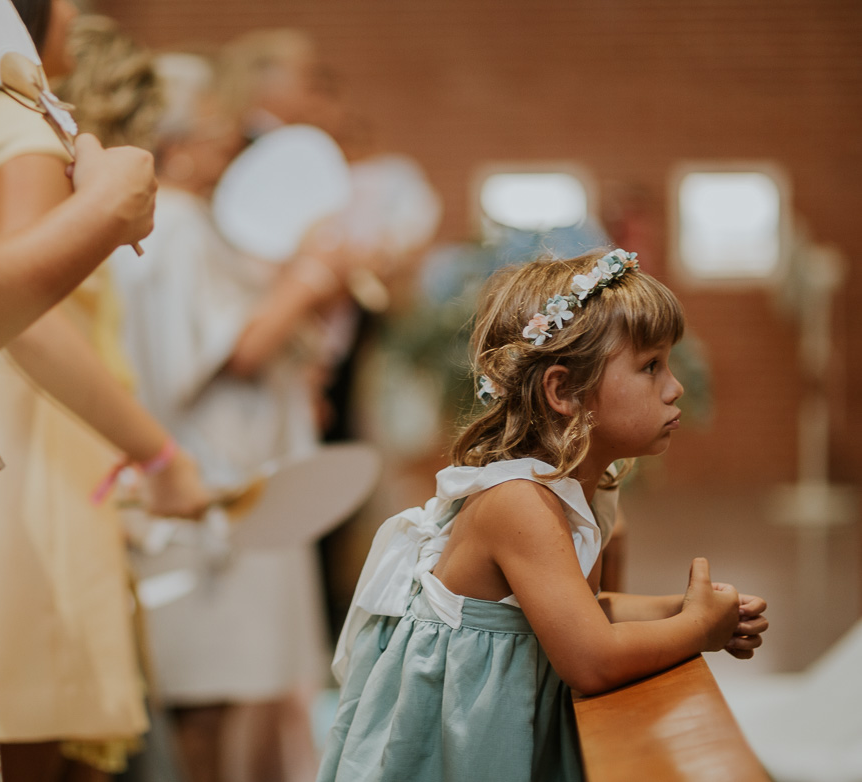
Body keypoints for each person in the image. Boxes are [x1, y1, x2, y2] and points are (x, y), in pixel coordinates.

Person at [318, 249, 770, 782]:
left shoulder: (575, 489)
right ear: (563, 390)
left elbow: (583, 611)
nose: (675, 387)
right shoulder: (519, 502)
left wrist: (682, 608)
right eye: (650, 366)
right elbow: (591, 660)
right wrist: (697, 629)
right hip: (447, 753)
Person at [0, 5, 208, 780]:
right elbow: (30, 320)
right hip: (25, 455)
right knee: (24, 732)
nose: (78, 10)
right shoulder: (13, 124)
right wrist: (160, 453)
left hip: (4, 430)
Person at [113, 52, 349, 782]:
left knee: (227, 699)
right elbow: (235, 348)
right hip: (208, 482)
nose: (227, 145)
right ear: (176, 144)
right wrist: (313, 273)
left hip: (214, 478)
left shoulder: (181, 223)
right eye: (214, 129)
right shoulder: (178, 226)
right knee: (208, 702)